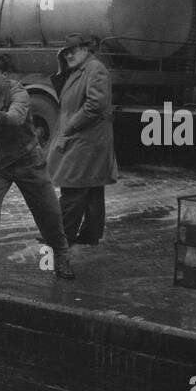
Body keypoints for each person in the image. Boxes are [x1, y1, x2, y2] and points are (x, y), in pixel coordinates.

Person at [0, 52, 74, 289]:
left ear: (5, 76)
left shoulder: (18, 92)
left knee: (49, 213)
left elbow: (17, 116)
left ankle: (61, 256)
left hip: (28, 162)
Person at [49, 33, 116, 246]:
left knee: (73, 188)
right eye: (65, 52)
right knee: (91, 188)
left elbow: (95, 104)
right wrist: (62, 68)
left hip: (86, 139)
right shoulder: (79, 70)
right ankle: (90, 235)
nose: (68, 55)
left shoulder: (94, 69)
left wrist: (71, 125)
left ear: (86, 50)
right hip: (88, 139)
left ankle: (61, 237)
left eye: (73, 50)